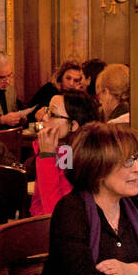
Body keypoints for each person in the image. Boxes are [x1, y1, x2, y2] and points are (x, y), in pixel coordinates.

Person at [33, 122, 138, 275]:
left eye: (137, 158)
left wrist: (133, 270)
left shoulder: (136, 201)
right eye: (128, 161)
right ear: (98, 168)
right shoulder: (72, 209)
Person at [31, 88, 101, 216]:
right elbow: (37, 204)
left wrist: (47, 156)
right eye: (47, 110)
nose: (44, 118)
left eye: (52, 114)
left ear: (73, 126)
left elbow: (54, 211)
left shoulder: (73, 155)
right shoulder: (63, 149)